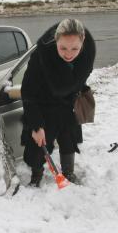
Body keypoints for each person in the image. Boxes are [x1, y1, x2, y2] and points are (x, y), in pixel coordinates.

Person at [21, 18, 96, 187]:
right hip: (44, 106)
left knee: (69, 138)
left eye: (74, 48)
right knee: (39, 145)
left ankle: (68, 172)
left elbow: (77, 79)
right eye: (63, 48)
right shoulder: (41, 57)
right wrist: (36, 126)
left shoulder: (86, 54)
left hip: (68, 105)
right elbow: (28, 92)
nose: (69, 54)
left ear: (83, 42)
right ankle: (36, 174)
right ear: (56, 40)